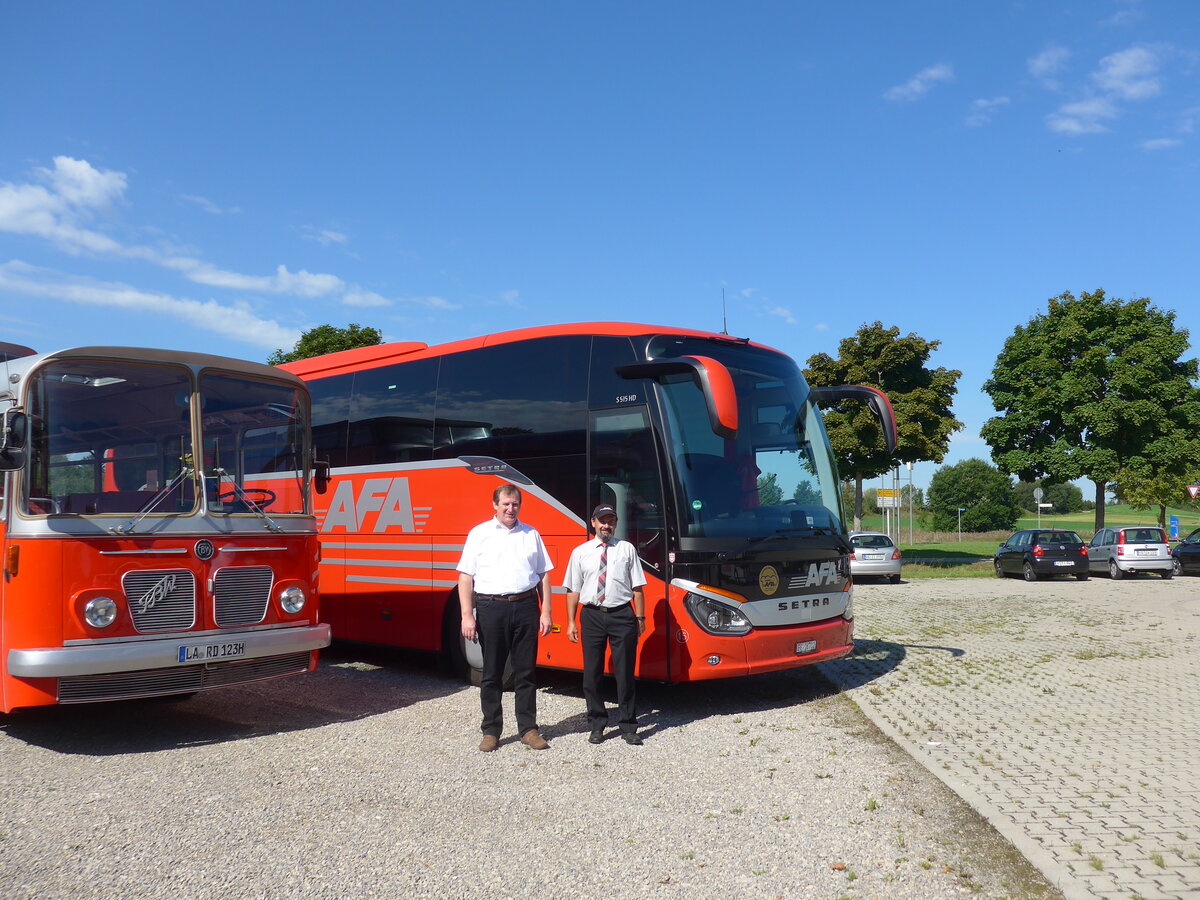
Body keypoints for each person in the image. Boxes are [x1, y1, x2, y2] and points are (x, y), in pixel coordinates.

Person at [457, 484, 554, 752]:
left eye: (515, 504)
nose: (510, 509)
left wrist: (546, 611)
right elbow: (466, 577)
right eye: (506, 504)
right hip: (491, 607)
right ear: (495, 505)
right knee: (492, 673)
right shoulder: (479, 534)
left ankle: (528, 729)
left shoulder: (530, 534)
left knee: (526, 672)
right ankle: (491, 731)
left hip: (525, 607)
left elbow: (544, 575)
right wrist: (467, 616)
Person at [564, 504, 647, 745]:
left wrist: (640, 618)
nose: (606, 525)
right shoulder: (580, 552)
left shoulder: (626, 549)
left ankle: (629, 726)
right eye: (602, 521)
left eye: (611, 521)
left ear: (616, 524)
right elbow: (572, 590)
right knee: (592, 674)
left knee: (624, 674)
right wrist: (570, 622)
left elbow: (637, 588)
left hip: (622, 615)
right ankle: (597, 724)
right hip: (591, 615)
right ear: (593, 522)